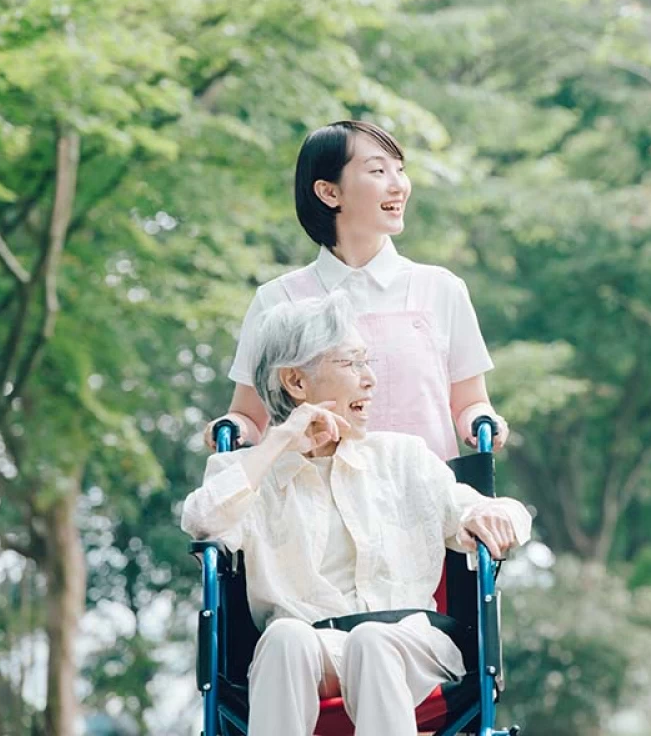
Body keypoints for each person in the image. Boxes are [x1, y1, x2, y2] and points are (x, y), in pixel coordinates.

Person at [182, 291, 531, 736]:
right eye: (350, 364)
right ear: (296, 381)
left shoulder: (402, 458)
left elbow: (503, 513)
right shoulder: (246, 473)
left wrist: (496, 519)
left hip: (411, 643)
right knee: (285, 638)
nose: (369, 380)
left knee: (372, 642)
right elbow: (202, 521)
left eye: (368, 363)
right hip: (307, 644)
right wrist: (276, 443)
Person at [205, 120, 508, 459]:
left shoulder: (441, 289)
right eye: (378, 171)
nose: (399, 186)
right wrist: (229, 428)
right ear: (329, 192)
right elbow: (249, 416)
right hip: (316, 501)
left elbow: (470, 402)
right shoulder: (278, 300)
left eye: (400, 170)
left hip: (427, 498)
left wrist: (482, 420)